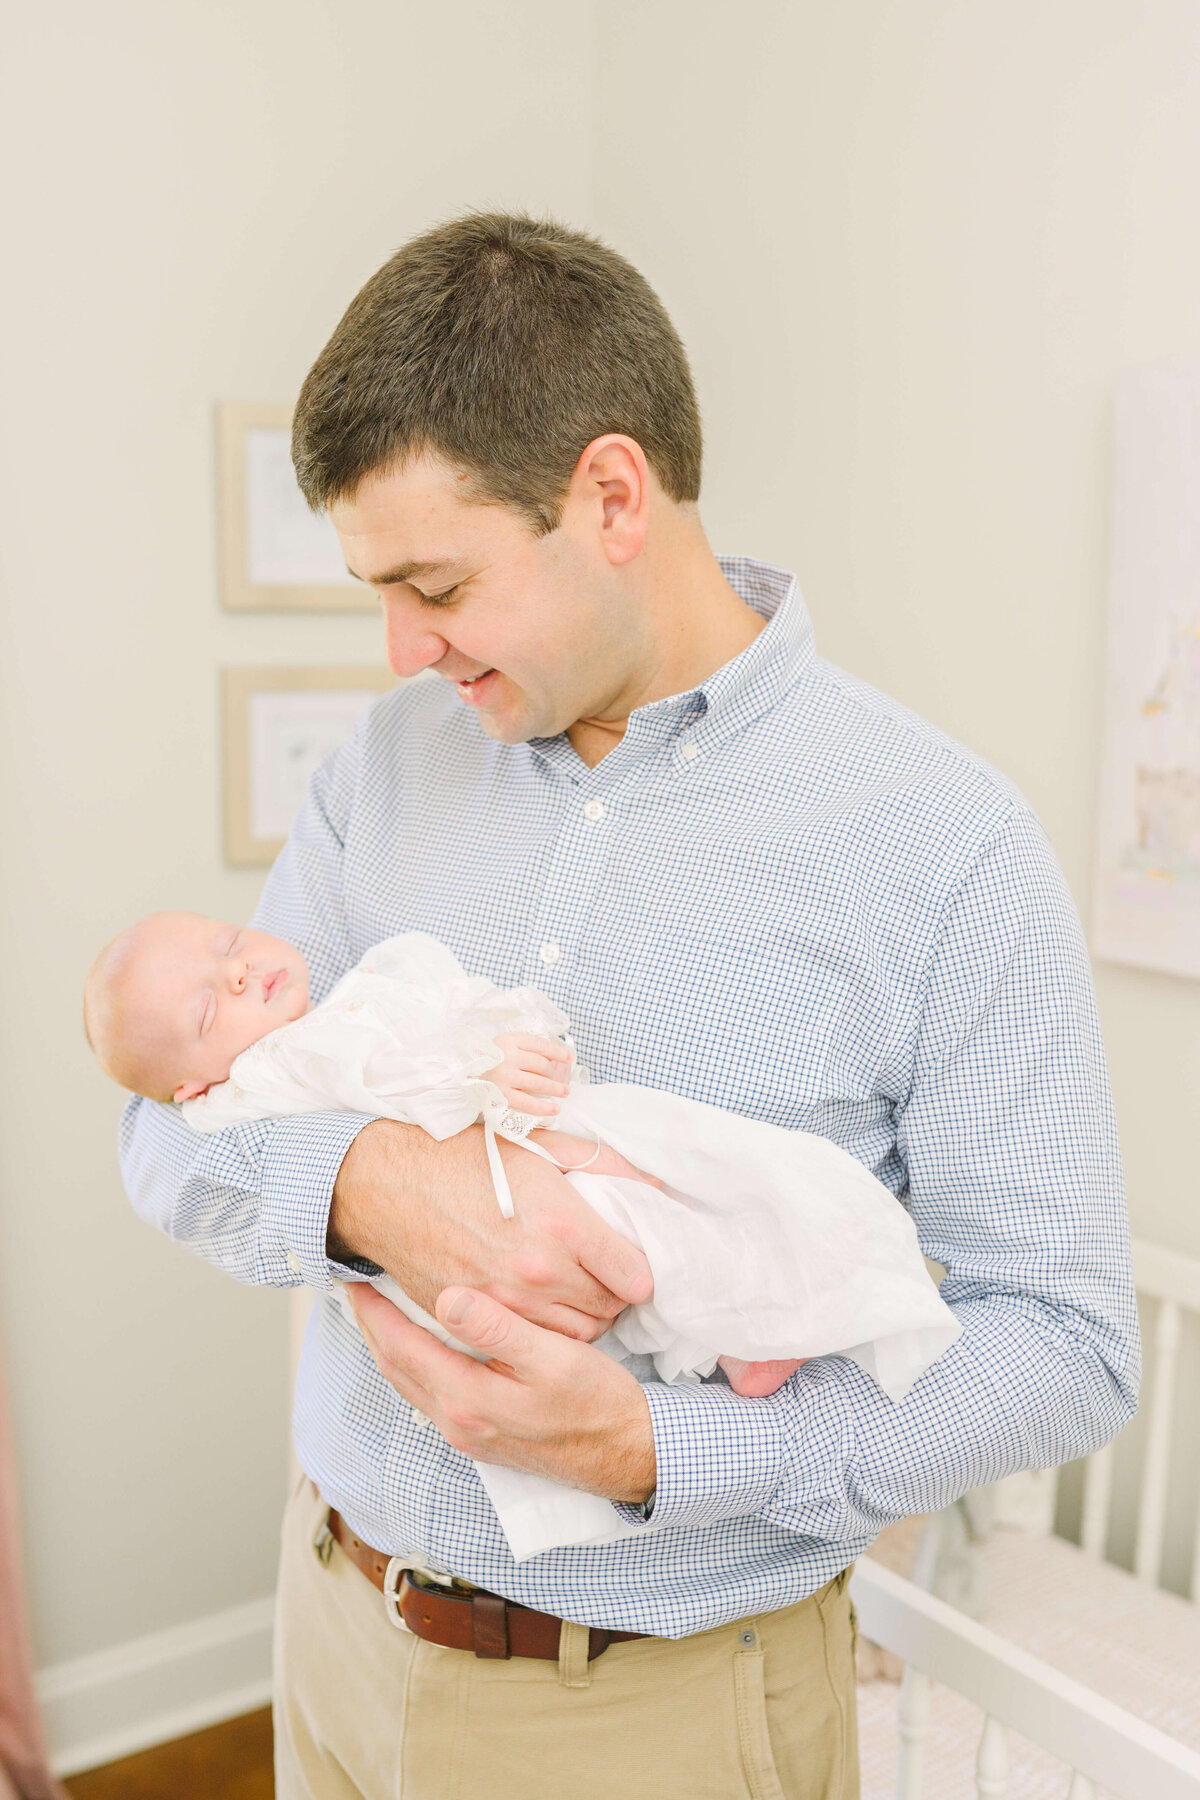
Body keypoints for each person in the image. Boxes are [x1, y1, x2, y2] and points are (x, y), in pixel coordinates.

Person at [118, 212, 1139, 1800]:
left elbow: (1069, 1346)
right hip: (326, 1614)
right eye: (377, 590)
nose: (401, 649)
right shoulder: (383, 769)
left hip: (654, 1716)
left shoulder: (948, 845)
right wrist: (388, 1189)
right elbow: (170, 1133)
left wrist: (665, 1452)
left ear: (609, 494)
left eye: (437, 582)